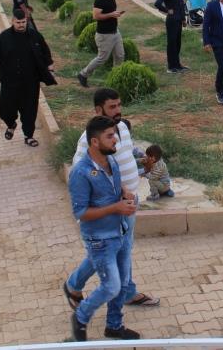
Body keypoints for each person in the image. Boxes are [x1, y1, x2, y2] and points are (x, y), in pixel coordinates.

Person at [66, 88, 160, 310]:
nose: (118, 111)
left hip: (128, 203)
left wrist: (141, 162)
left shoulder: (122, 128)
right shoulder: (89, 139)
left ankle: (84, 286)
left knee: (116, 251)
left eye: (119, 105)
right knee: (112, 251)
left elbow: (125, 153)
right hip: (111, 208)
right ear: (99, 110)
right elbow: (79, 171)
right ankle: (116, 293)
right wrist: (114, 195)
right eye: (112, 107)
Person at [67, 115, 141, 342]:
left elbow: (114, 185)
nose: (115, 140)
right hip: (99, 238)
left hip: (119, 232)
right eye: (109, 136)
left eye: (115, 135)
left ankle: (114, 326)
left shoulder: (111, 162)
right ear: (94, 142)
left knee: (123, 283)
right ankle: (80, 316)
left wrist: (124, 193)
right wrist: (116, 207)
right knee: (111, 287)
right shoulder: (80, 173)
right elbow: (81, 213)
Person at [0, 8, 54, 148]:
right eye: (18, 22)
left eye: (23, 22)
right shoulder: (4, 37)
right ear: (12, 21)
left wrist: (50, 68)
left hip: (30, 82)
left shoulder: (34, 35)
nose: (21, 25)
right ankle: (11, 124)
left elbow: (46, 52)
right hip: (9, 81)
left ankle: (28, 136)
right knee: (5, 108)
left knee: (29, 109)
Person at [78, 0, 126, 88]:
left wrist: (116, 14)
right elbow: (96, 16)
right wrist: (111, 15)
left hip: (115, 32)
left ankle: (116, 78)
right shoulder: (100, 0)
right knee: (102, 58)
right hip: (104, 35)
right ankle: (83, 74)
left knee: (120, 55)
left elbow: (110, 11)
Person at [153, 0, 188, 73]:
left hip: (179, 21)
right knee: (171, 44)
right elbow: (157, 3)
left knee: (178, 43)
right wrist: (167, 10)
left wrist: (183, 19)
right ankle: (171, 67)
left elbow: (181, 5)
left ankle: (178, 65)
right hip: (171, 21)